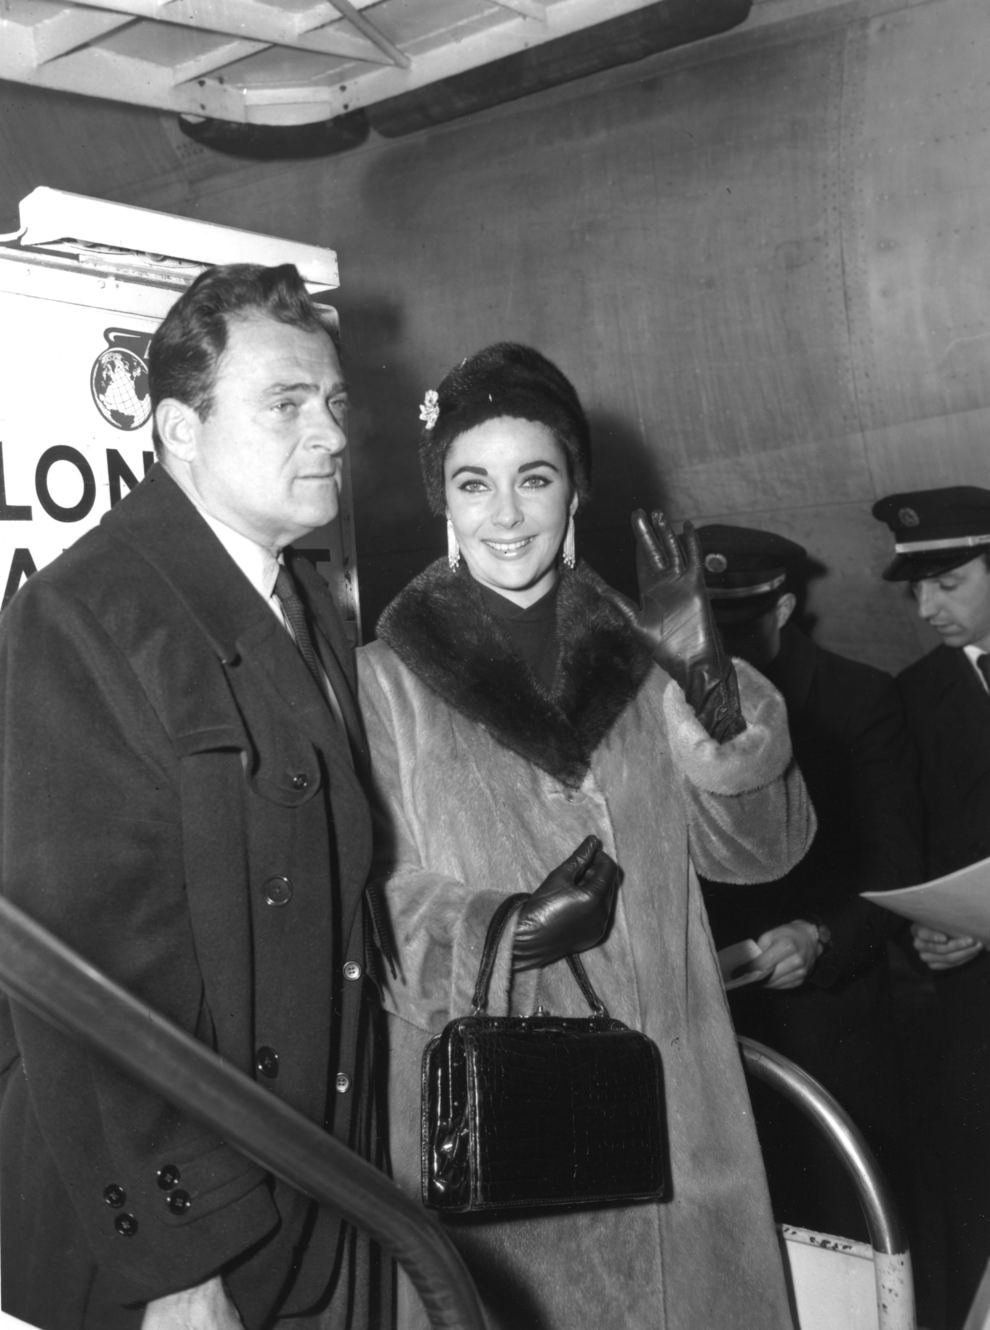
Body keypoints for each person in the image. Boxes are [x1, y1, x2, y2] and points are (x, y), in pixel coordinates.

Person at [357, 342, 816, 1330]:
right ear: (445, 499)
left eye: (536, 478)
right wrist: (507, 928)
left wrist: (713, 701)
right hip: (498, 1142)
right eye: (475, 484)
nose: (507, 514)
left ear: (576, 493)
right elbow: (372, 897)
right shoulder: (382, 682)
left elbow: (761, 853)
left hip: (681, 1125)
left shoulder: (656, 657)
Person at [0, 264, 390, 1330]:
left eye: (336, 402)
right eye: (287, 402)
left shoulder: (300, 600)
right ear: (177, 427)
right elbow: (91, 978)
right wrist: (183, 1267)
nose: (334, 432)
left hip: (304, 1203)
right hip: (171, 1252)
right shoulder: (84, 616)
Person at [695, 523, 923, 1242]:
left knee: (852, 1232)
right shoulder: (674, 712)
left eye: (737, 625)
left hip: (834, 1023)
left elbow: (897, 870)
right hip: (719, 1024)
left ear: (784, 610)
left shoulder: (859, 700)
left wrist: (820, 938)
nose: (720, 647)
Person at [874, 484, 990, 1327]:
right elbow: (910, 851)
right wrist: (932, 930)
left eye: (948, 582)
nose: (928, 608)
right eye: (917, 589)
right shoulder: (914, 699)